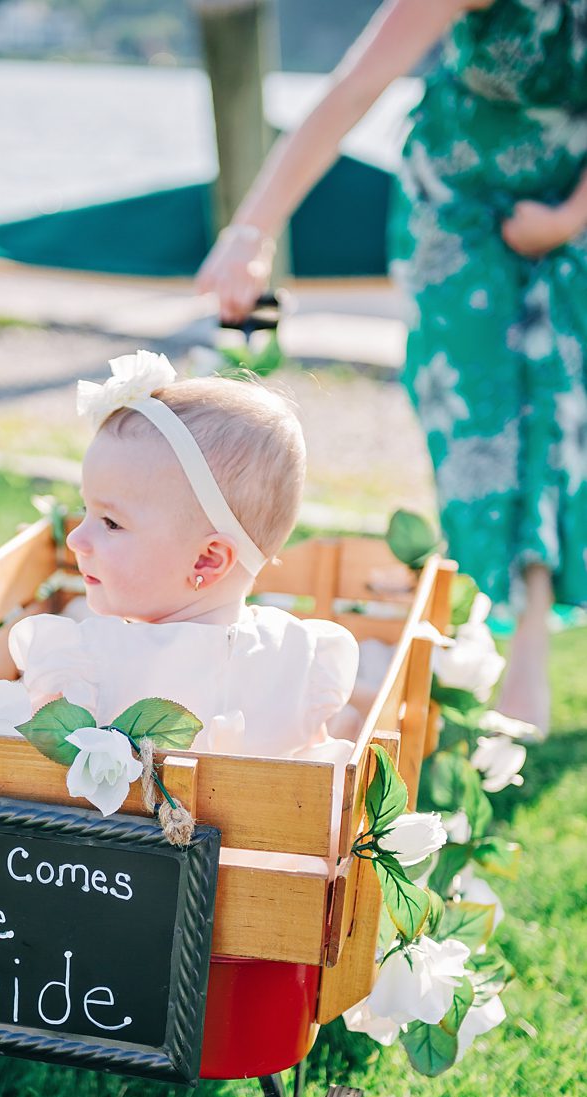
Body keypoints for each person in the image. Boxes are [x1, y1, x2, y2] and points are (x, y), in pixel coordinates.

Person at [196, 0, 587, 735]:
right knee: (480, 423)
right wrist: (251, 231)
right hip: (459, 207)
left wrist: (569, 217)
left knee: (567, 408)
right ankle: (495, 650)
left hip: (575, 207)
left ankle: (509, 643)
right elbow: (351, 89)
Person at [7, 350, 359, 765]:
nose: (77, 539)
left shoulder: (90, 660)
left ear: (207, 561)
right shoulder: (301, 656)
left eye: (111, 523)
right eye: (87, 512)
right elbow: (315, 764)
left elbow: (26, 770)